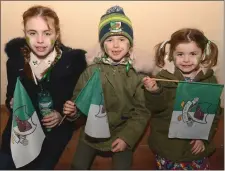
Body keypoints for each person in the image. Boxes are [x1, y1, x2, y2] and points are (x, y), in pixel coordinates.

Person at [63, 5, 151, 170]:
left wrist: (127, 138)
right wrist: (73, 112)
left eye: (122, 39)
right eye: (110, 40)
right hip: (91, 132)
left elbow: (142, 111)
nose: (116, 45)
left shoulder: (138, 75)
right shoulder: (91, 71)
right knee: (77, 166)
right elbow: (79, 102)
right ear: (103, 45)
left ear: (130, 44)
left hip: (122, 131)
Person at [0, 5, 87, 169]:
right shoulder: (15, 62)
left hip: (52, 136)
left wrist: (62, 114)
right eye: (32, 33)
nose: (40, 40)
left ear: (57, 34)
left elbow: (79, 107)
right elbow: (9, 97)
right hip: (21, 132)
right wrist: (12, 103)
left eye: (47, 33)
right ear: (25, 33)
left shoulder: (72, 64)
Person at [143, 28, 222, 170]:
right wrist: (154, 91)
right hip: (168, 149)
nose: (186, 60)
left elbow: (214, 115)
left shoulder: (209, 81)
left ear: (202, 54)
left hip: (195, 151)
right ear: (172, 55)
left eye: (193, 54)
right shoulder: (165, 79)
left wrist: (204, 137)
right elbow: (156, 109)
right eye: (180, 54)